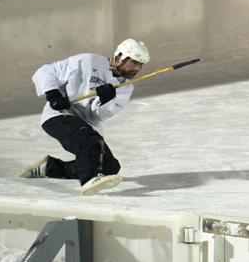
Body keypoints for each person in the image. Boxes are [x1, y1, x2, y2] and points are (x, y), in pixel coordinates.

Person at [18, 39, 150, 196]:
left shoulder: (125, 88)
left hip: (88, 125)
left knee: (109, 167)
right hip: (60, 116)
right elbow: (45, 71)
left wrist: (106, 100)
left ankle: (49, 168)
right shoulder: (88, 61)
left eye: (141, 65)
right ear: (119, 56)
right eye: (134, 62)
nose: (137, 68)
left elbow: (99, 116)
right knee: (89, 140)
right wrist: (53, 94)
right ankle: (90, 179)